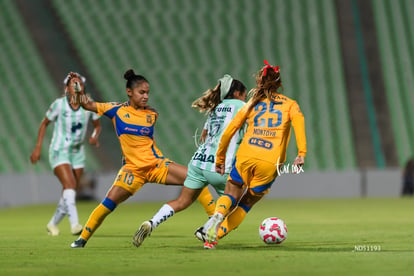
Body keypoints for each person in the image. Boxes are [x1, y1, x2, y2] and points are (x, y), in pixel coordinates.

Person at [70, 69, 215, 248]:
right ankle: (81, 239)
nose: (146, 96)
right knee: (108, 204)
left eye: (147, 92)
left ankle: (212, 221)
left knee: (196, 178)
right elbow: (88, 105)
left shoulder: (151, 114)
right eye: (142, 92)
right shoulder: (116, 110)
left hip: (156, 165)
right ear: (129, 92)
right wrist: (79, 92)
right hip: (133, 171)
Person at [132, 74, 247, 248]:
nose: (245, 98)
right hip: (221, 165)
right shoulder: (242, 106)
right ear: (238, 93)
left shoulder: (216, 108)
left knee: (182, 201)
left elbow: (204, 136)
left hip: (198, 162)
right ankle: (206, 230)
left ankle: (152, 222)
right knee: (233, 200)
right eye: (244, 95)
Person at [202, 60, 307, 249]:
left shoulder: (251, 103)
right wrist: (301, 154)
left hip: (245, 156)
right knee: (246, 203)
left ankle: (217, 216)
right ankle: (215, 235)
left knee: (230, 192)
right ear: (279, 84)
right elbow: (299, 125)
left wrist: (219, 159)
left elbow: (230, 130)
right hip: (269, 161)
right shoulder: (291, 104)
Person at [30, 72, 101, 236]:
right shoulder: (59, 105)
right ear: (66, 88)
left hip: (78, 153)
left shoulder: (88, 105)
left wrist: (93, 137)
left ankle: (52, 224)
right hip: (59, 150)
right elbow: (44, 124)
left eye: (79, 84)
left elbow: (97, 125)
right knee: (69, 186)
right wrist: (38, 148)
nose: (76, 87)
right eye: (73, 84)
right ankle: (75, 224)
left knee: (69, 191)